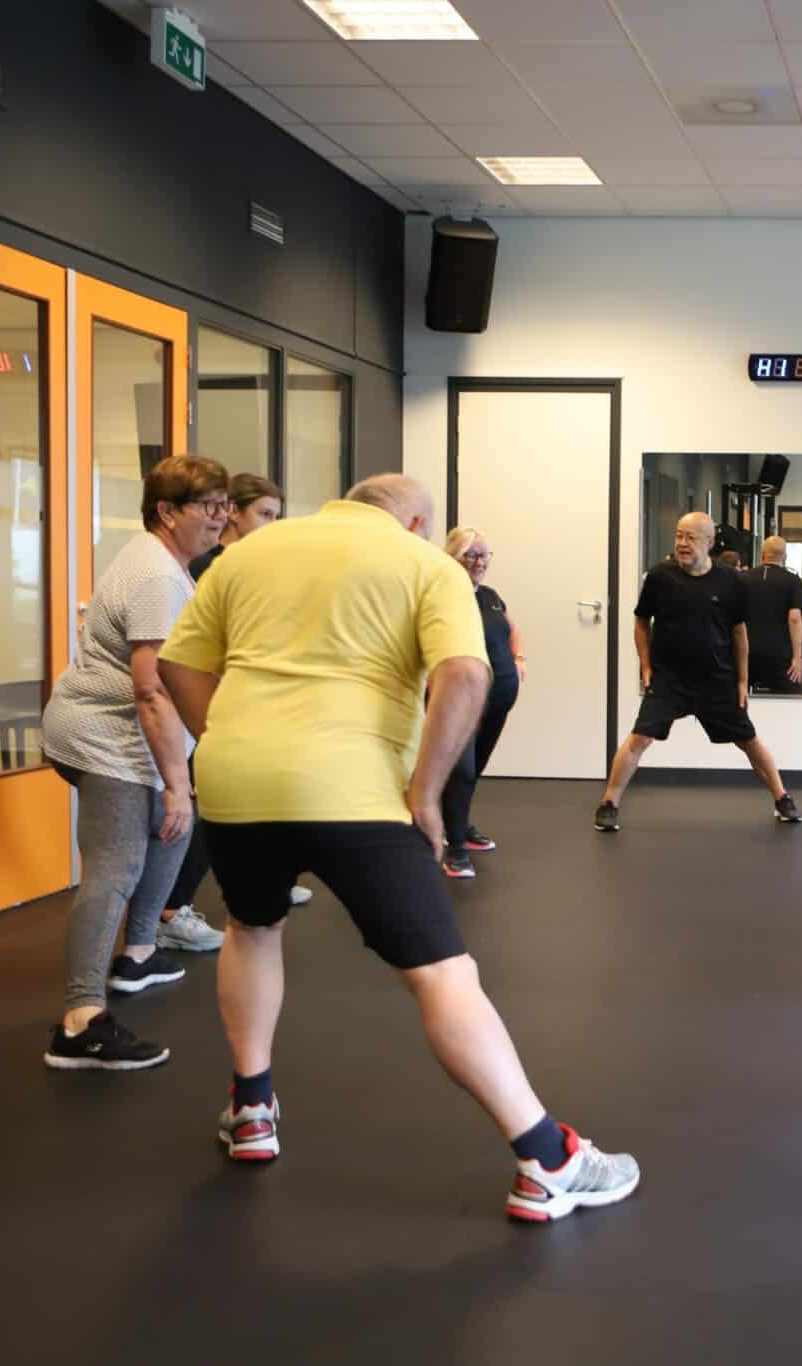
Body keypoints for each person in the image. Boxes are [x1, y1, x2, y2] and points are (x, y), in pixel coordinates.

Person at [158, 474, 638, 1219]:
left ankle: (252, 1108)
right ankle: (547, 1158)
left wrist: (227, 738)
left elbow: (176, 665)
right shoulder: (425, 565)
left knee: (252, 928)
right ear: (415, 521)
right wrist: (425, 792)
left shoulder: (253, 550)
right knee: (445, 973)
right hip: (355, 792)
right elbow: (467, 673)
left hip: (237, 783)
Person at [40, 454, 229, 1071]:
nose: (219, 519)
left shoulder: (165, 564)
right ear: (167, 513)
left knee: (175, 830)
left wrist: (178, 789)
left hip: (127, 737)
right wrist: (177, 782)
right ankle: (79, 1021)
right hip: (106, 739)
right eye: (208, 506)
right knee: (116, 866)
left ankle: (140, 953)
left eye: (224, 505)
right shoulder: (157, 576)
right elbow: (152, 689)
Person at [159, 472, 311, 952]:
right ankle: (170, 910)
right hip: (208, 706)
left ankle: (266, 882)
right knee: (208, 807)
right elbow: (189, 651)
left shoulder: (242, 565)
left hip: (242, 702)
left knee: (257, 799)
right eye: (263, 514)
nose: (270, 525)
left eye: (276, 516)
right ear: (236, 513)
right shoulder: (208, 568)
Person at [594, 512, 801, 832]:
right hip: (669, 678)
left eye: (690, 537)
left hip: (716, 679)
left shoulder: (730, 579)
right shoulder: (661, 576)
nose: (682, 543)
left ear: (709, 542)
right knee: (639, 738)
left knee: (748, 739)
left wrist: (743, 681)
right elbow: (640, 622)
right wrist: (646, 665)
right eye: (678, 536)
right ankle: (609, 803)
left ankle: (782, 798)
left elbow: (739, 633)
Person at [438, 527, 525, 879]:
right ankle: (454, 847)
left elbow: (511, 627)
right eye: (471, 555)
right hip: (461, 699)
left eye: (484, 555)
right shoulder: (443, 596)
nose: (479, 562)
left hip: (499, 697)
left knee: (477, 767)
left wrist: (519, 657)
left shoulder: (489, 595)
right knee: (462, 769)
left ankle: (458, 824)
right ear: (453, 558)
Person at [742, 536, 802, 694]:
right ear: (785, 557)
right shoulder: (792, 581)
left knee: (736, 696)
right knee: (793, 698)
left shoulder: (743, 578)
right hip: (779, 655)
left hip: (746, 650)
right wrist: (797, 658)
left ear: (762, 554)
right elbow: (794, 619)